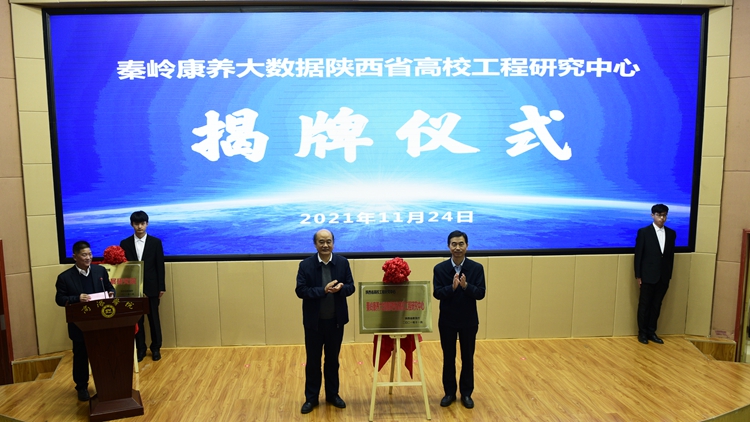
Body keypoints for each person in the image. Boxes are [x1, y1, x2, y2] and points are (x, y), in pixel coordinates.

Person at [295, 229, 355, 414]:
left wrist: (341, 288)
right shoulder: (306, 265)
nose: (325, 245)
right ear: (315, 244)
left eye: (328, 241)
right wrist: (323, 290)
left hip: (336, 322)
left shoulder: (342, 263)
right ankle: (311, 398)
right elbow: (301, 291)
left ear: (333, 243)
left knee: (332, 361)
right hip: (314, 323)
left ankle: (332, 395)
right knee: (313, 362)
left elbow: (351, 287)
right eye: (321, 242)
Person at [55, 240, 115, 402]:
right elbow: (59, 299)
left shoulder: (100, 271)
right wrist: (77, 298)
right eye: (84, 255)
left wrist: (111, 293)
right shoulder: (65, 277)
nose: (88, 258)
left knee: (103, 355)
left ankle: (106, 384)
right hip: (79, 325)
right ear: (75, 257)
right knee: (81, 356)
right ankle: (81, 387)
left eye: (90, 254)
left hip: (100, 322)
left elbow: (109, 287)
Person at [433, 230, 486, 409]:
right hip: (447, 321)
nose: (457, 248)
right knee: (448, 358)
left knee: (467, 358)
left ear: (467, 246)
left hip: (468, 321)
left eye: (461, 244)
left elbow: (480, 293)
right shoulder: (440, 269)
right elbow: (437, 293)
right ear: (448, 246)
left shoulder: (476, 268)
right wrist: (452, 288)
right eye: (454, 244)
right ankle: (449, 393)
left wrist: (466, 286)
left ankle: (466, 393)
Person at [120, 210, 166, 361]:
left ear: (147, 224)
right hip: (133, 288)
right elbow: (123, 267)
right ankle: (141, 348)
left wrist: (161, 286)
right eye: (136, 223)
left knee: (154, 319)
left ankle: (156, 348)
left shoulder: (155, 242)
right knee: (137, 320)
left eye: (142, 223)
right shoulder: (125, 243)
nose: (139, 226)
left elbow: (160, 266)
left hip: (152, 287)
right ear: (131, 224)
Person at [634, 204, 676, 345]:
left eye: (664, 215)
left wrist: (669, 275)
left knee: (656, 305)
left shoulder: (671, 233)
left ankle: (652, 332)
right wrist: (638, 275)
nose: (662, 218)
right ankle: (642, 333)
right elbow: (638, 256)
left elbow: (670, 257)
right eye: (659, 215)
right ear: (652, 215)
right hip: (647, 275)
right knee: (644, 305)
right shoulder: (644, 232)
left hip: (663, 276)